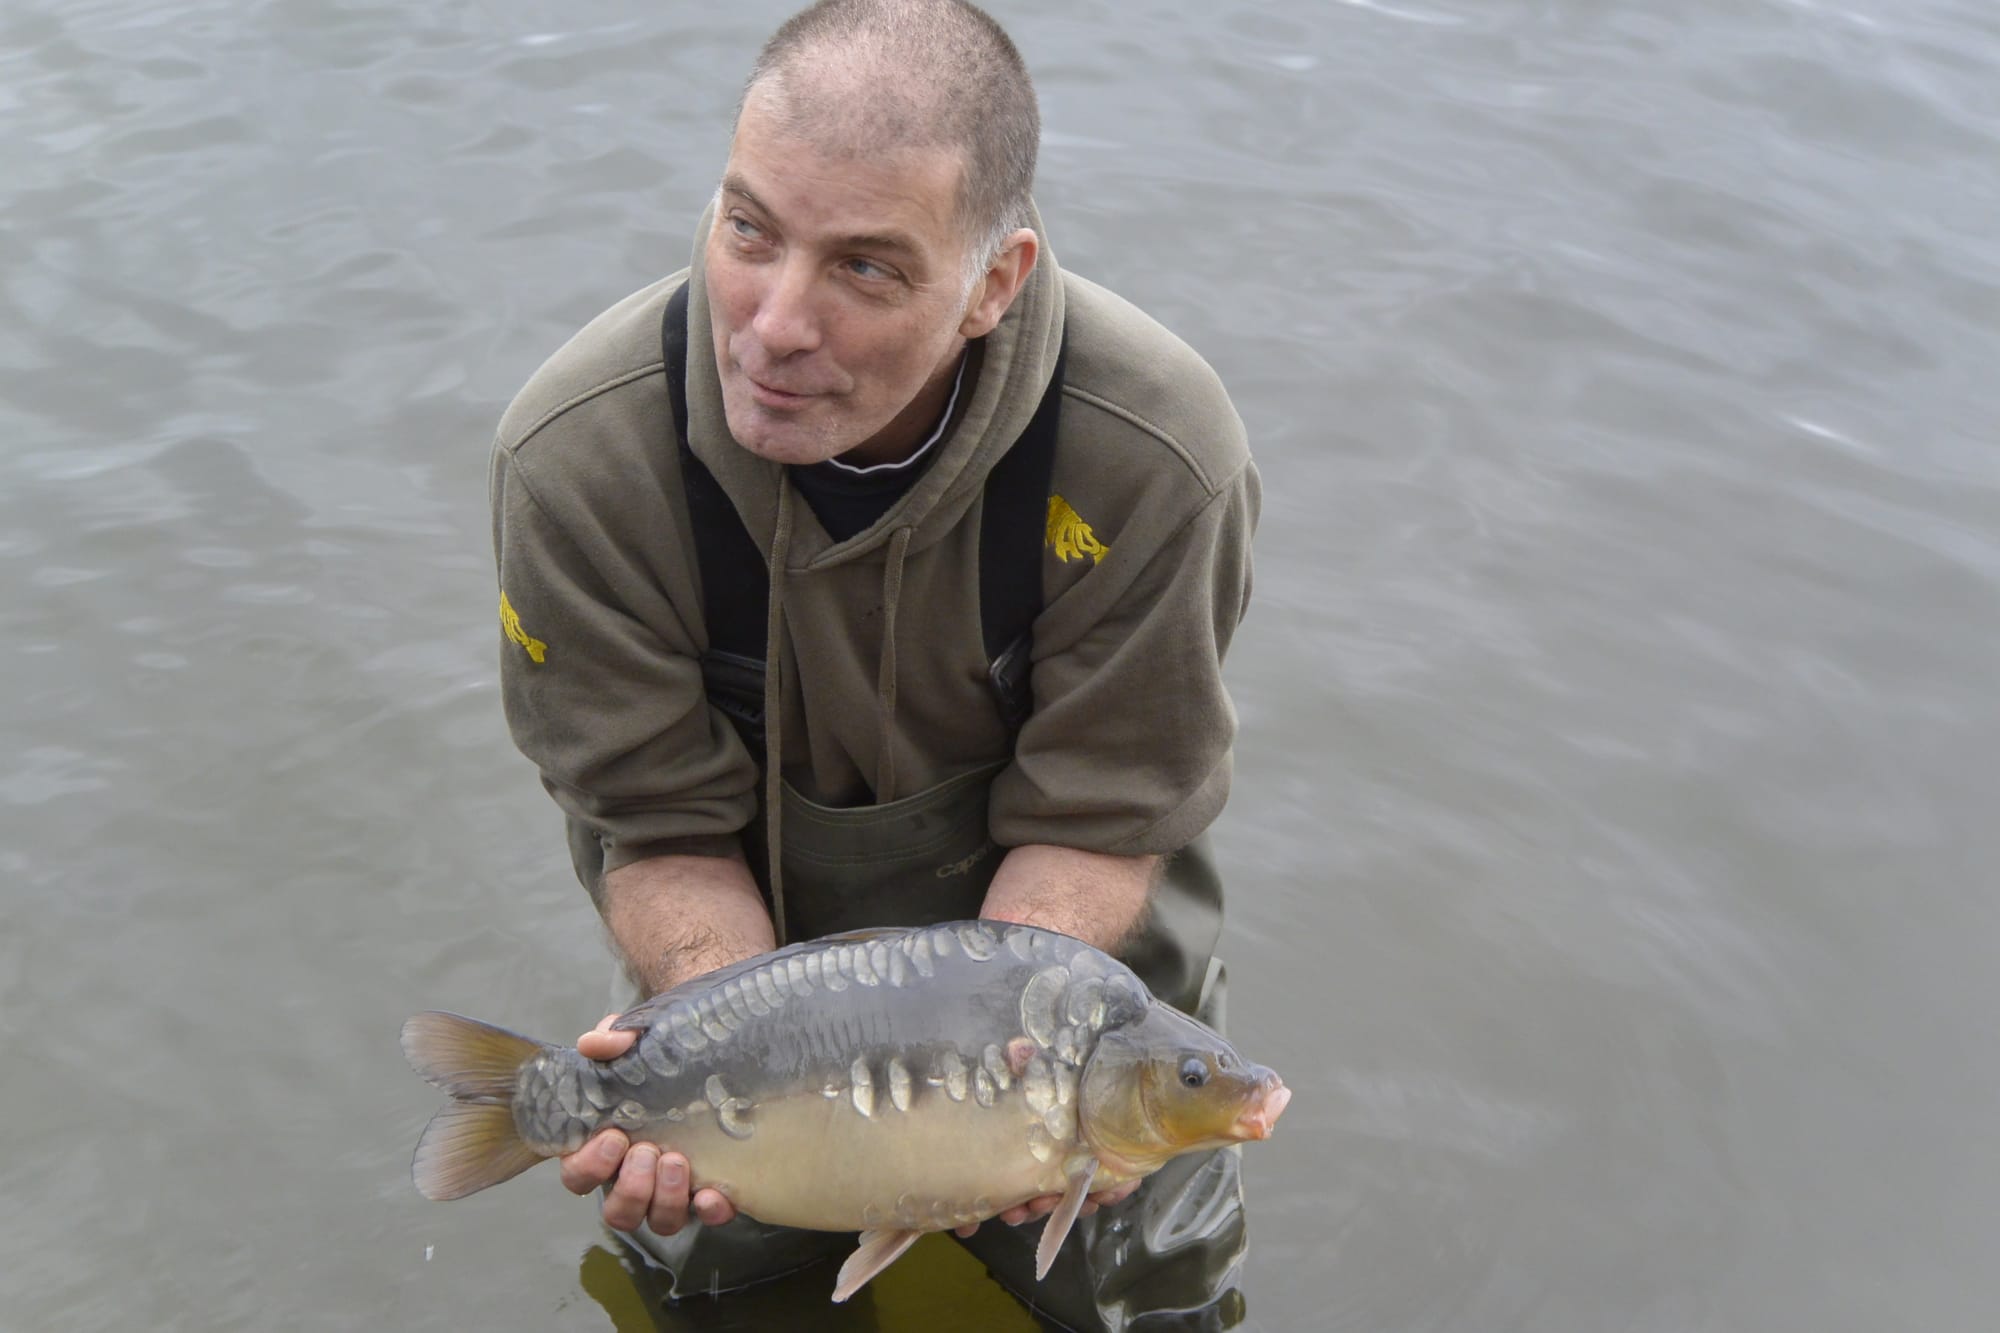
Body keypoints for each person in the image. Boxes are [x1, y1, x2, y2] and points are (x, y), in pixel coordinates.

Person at [489, 1, 1260, 1326]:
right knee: (705, 1281)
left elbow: (1102, 816)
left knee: (1154, 1296)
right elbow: (658, 829)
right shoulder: (577, 463)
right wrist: (715, 1051)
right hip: (745, 986)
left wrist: (999, 1084)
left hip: (1063, 1004)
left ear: (995, 282)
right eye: (749, 231)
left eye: (864, 269)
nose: (775, 323)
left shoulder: (1155, 455)